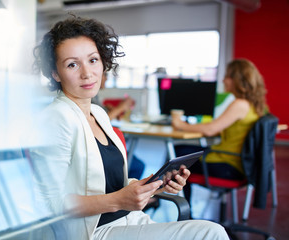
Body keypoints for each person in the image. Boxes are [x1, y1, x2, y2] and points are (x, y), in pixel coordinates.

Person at [31, 15, 229, 240]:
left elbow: (114, 186)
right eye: (72, 64)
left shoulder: (98, 114)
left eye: (93, 60)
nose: (87, 73)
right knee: (211, 233)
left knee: (208, 232)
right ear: (55, 73)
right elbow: (49, 204)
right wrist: (118, 200)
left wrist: (156, 184)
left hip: (128, 220)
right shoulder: (55, 118)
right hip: (92, 233)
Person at [171, 59, 267, 204]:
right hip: (240, 164)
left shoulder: (240, 104)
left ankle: (184, 212)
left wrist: (180, 124)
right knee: (180, 150)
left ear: (237, 79)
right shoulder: (256, 105)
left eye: (227, 76)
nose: (223, 80)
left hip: (227, 166)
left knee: (178, 160)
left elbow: (210, 130)